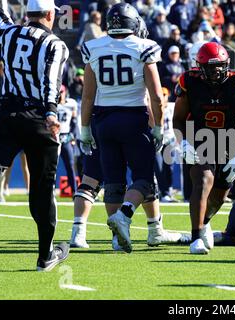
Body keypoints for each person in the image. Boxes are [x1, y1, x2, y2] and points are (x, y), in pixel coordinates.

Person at [80, 3, 189, 253]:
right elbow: (156, 96)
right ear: (133, 23)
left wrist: (85, 128)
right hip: (133, 119)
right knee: (144, 178)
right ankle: (125, 216)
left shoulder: (94, 47)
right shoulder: (143, 48)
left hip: (103, 120)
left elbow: (87, 96)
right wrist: (160, 126)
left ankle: (118, 239)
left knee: (113, 181)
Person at [0, 0, 69, 271]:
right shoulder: (55, 44)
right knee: (41, 190)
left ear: (28, 14)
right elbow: (51, 79)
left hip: (9, 116)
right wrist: (50, 112)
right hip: (38, 121)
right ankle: (45, 255)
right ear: (50, 15)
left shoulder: (10, 33)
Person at [173, 42, 235, 254]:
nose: (215, 71)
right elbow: (177, 120)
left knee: (220, 195)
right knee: (204, 181)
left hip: (229, 140)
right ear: (199, 66)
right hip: (198, 138)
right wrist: (182, 142)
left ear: (227, 64)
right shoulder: (190, 82)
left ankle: (203, 223)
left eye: (219, 66)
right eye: (210, 67)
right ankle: (195, 237)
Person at [58, 85, 78, 196]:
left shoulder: (71, 104)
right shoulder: (52, 105)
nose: (60, 94)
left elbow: (74, 123)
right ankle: (49, 191)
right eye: (58, 91)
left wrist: (72, 137)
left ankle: (75, 191)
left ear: (65, 92)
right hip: (53, 138)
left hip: (66, 138)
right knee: (51, 166)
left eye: (61, 91)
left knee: (70, 165)